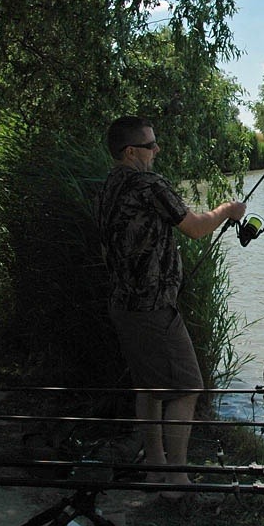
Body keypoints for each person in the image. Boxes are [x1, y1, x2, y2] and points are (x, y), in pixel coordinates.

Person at [97, 116, 246, 497]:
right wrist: (227, 209)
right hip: (152, 308)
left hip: (122, 304)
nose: (156, 150)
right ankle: (177, 481)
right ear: (131, 152)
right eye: (150, 145)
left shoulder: (110, 184)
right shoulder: (148, 184)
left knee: (148, 388)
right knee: (187, 388)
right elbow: (195, 226)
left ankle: (155, 470)